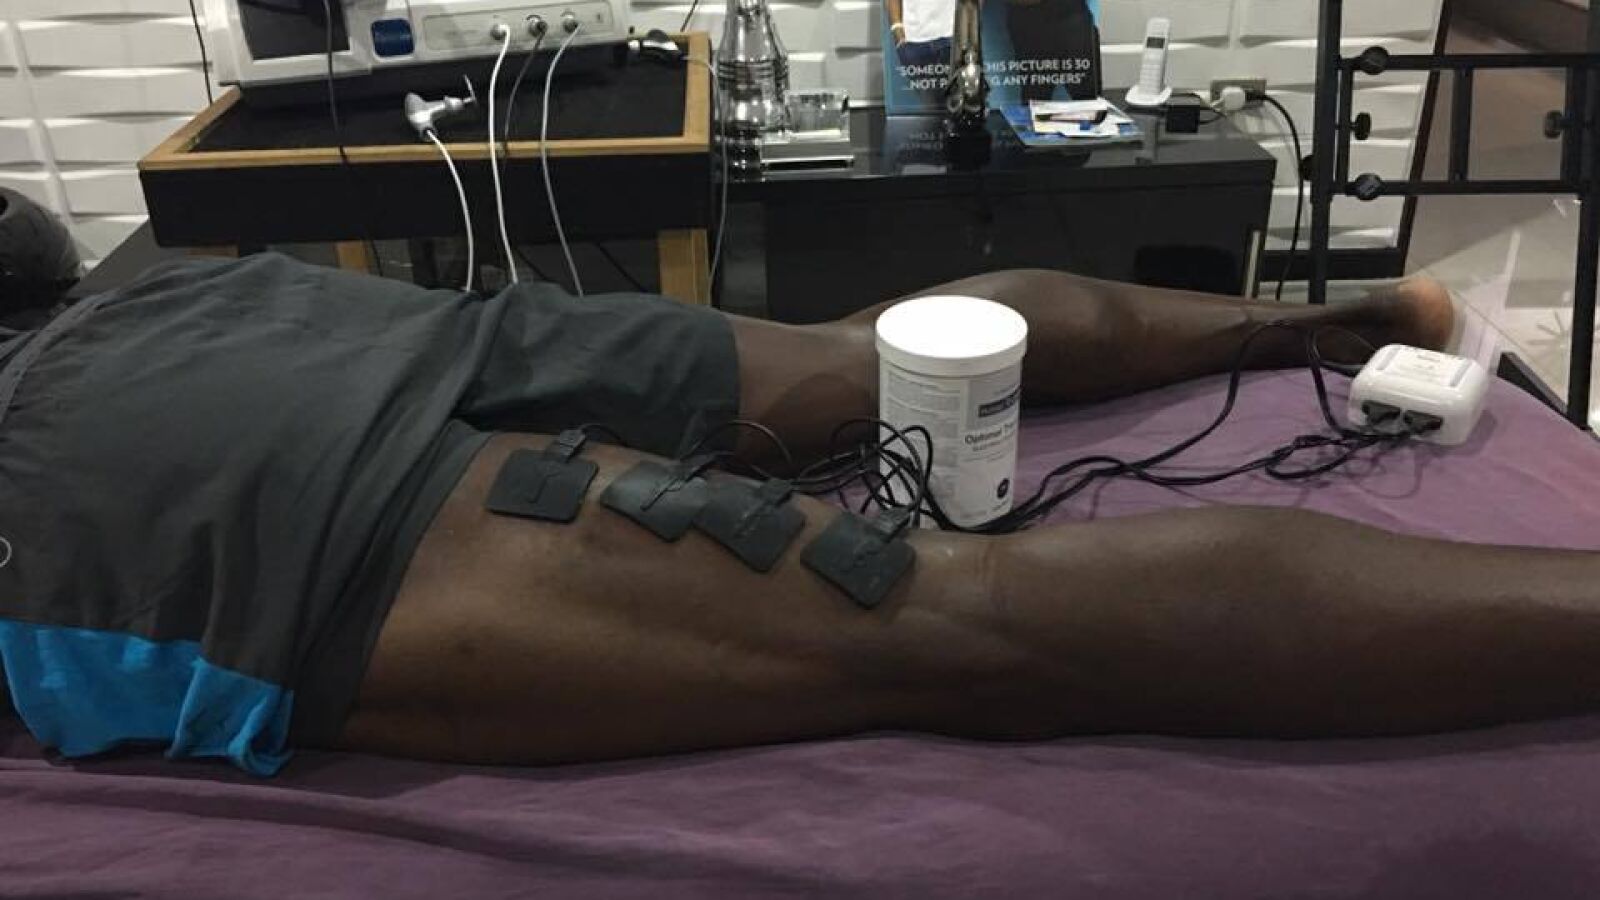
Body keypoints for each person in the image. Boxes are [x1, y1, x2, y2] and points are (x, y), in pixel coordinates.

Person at [5, 252, 1592, 778]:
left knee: (967, 619)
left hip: (124, 484)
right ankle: (1338, 313)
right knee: (872, 356)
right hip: (210, 317)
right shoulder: (136, 274)